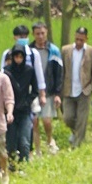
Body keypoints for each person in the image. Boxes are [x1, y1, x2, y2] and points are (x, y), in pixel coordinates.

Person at [59, 26, 92, 146]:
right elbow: (62, 70)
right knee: (67, 118)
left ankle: (77, 145)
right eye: (77, 39)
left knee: (82, 119)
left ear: (86, 38)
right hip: (68, 89)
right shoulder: (66, 50)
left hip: (84, 90)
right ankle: (76, 132)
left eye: (81, 40)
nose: (78, 42)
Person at [3, 43, 39, 162]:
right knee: (11, 142)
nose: (18, 59)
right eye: (16, 57)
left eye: (21, 57)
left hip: (24, 111)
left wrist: (27, 101)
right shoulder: (7, 72)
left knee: (24, 142)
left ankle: (24, 165)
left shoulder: (29, 70)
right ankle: (12, 164)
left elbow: (35, 90)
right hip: (10, 112)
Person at [31, 22, 63, 151]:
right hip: (33, 91)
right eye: (37, 33)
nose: (40, 36)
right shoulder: (29, 51)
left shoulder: (53, 50)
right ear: (33, 34)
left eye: (42, 33)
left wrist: (57, 93)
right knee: (34, 122)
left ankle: (50, 139)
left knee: (47, 120)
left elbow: (59, 73)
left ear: (47, 33)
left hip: (49, 91)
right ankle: (37, 148)